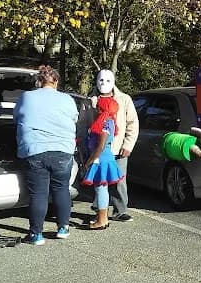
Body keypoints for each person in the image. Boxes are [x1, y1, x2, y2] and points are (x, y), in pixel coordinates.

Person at [15, 66, 78, 245]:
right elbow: (74, 118)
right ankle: (63, 228)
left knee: (39, 194)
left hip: (35, 150)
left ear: (39, 82)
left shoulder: (26, 97)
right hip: (63, 150)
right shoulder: (67, 99)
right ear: (56, 82)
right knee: (61, 189)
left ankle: (36, 234)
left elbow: (17, 118)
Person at [78, 70, 139, 222]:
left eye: (107, 80)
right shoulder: (89, 100)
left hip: (117, 147)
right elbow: (82, 123)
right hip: (96, 147)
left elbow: (132, 123)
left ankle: (120, 210)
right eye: (100, 80)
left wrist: (128, 145)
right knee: (99, 181)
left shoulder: (124, 99)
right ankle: (100, 211)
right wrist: (82, 143)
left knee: (119, 180)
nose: (103, 84)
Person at [82, 96, 124, 230]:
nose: (96, 109)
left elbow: (100, 147)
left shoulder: (105, 123)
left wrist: (89, 162)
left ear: (102, 108)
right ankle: (103, 218)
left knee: (100, 189)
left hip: (101, 159)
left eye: (98, 107)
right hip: (105, 158)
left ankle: (101, 219)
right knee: (102, 188)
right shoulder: (110, 121)